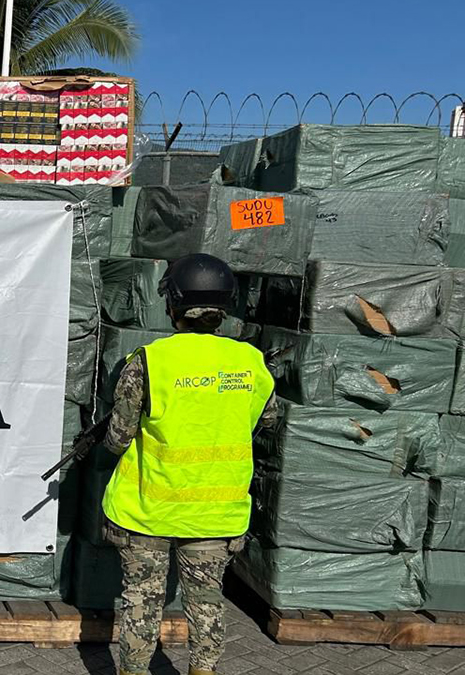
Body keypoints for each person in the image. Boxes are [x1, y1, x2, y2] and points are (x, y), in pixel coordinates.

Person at [100, 253, 276, 675]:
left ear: (172, 305)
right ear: (224, 308)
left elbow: (118, 439)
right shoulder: (250, 362)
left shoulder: (150, 361)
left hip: (147, 511)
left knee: (141, 605)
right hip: (218, 513)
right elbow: (265, 421)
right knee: (207, 603)